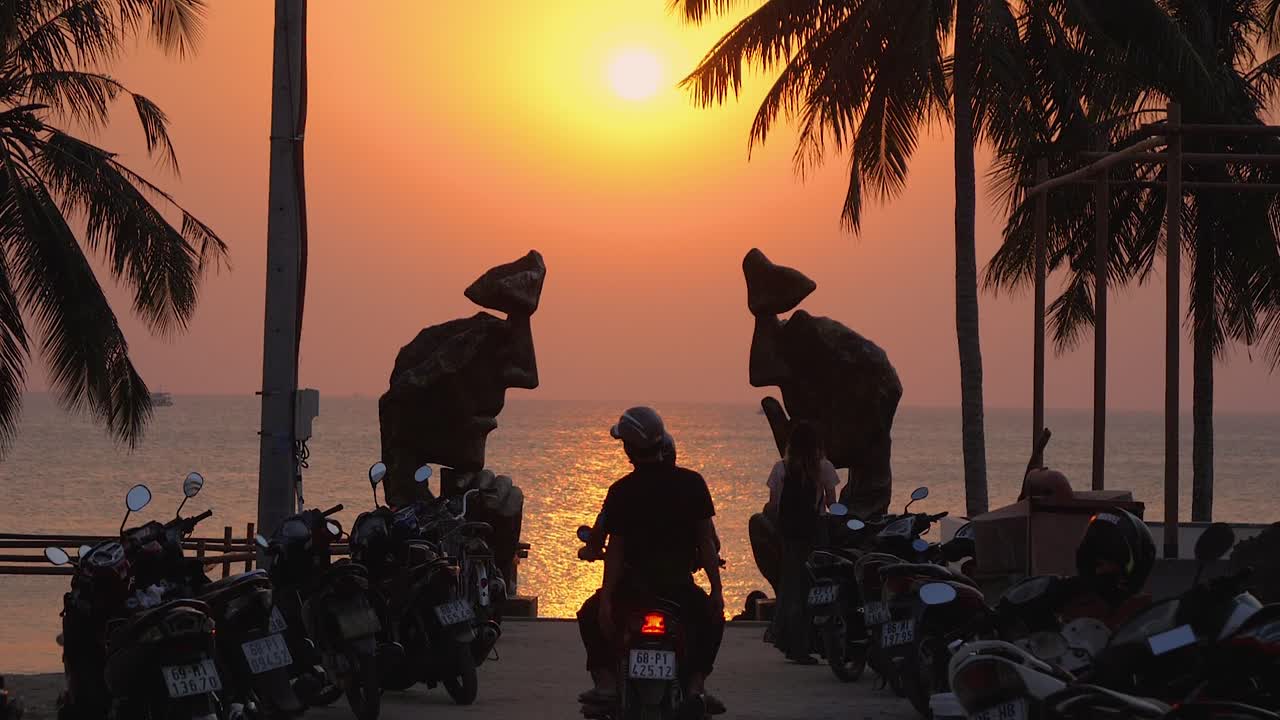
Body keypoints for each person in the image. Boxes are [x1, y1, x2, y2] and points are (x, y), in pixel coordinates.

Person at [576, 407, 726, 714]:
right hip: (679, 590)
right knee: (712, 620)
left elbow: (615, 551)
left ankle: (606, 683)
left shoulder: (621, 490)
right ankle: (696, 686)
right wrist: (717, 591)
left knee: (588, 614)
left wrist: (605, 602)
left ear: (629, 449)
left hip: (633, 590)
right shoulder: (693, 483)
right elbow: (706, 543)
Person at [767, 421, 838, 663]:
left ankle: (792, 643)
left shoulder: (781, 469)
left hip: (791, 535)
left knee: (792, 588)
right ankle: (818, 641)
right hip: (816, 532)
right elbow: (831, 504)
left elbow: (774, 505)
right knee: (818, 587)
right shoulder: (825, 468)